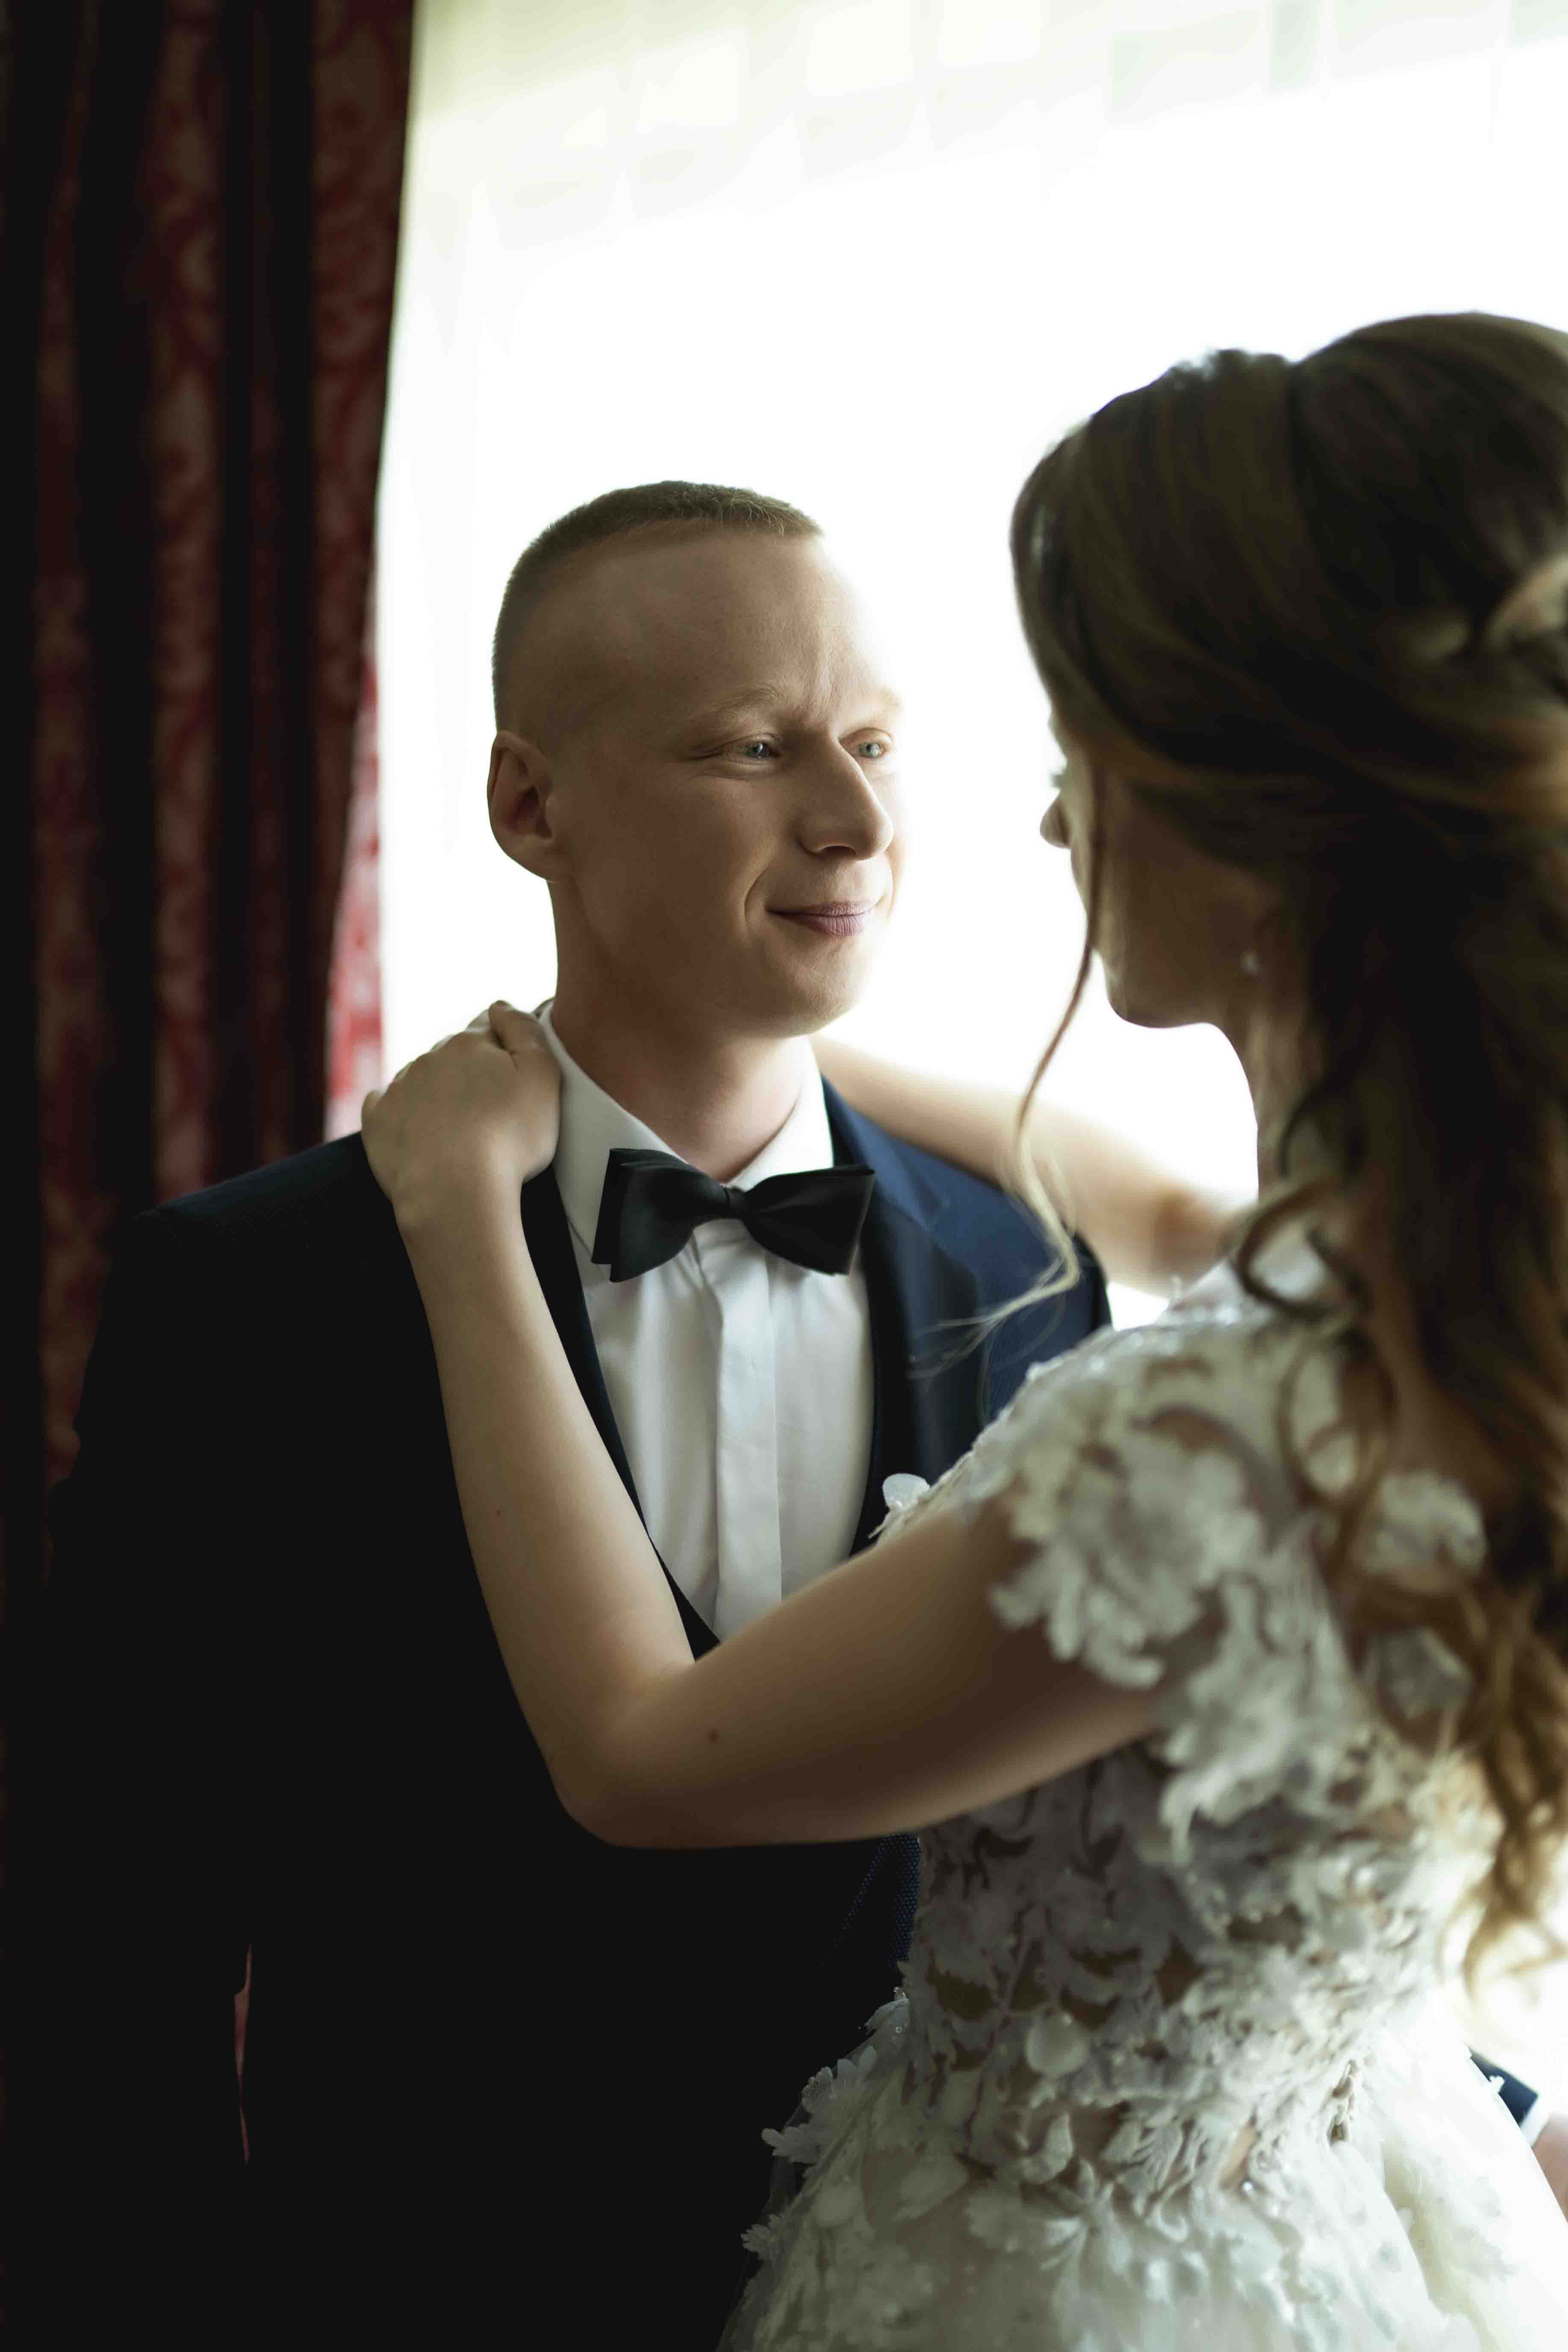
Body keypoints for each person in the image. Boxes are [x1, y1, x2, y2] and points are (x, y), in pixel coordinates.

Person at [358, 315, 1568, 2349]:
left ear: (1268, 815)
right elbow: (1168, 1208)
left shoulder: (1195, 1432)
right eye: (753, 747)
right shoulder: (1460, 1293)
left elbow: (641, 1752)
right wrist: (735, 1025)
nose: (1040, 826)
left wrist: (459, 1206)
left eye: (1083, 751)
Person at [29, 483, 1261, 2349]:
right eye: (753, 746)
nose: (853, 820)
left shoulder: (1026, 1260)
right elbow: (116, 1929)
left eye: (871, 745)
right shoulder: (256, 1290)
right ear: (531, 806)